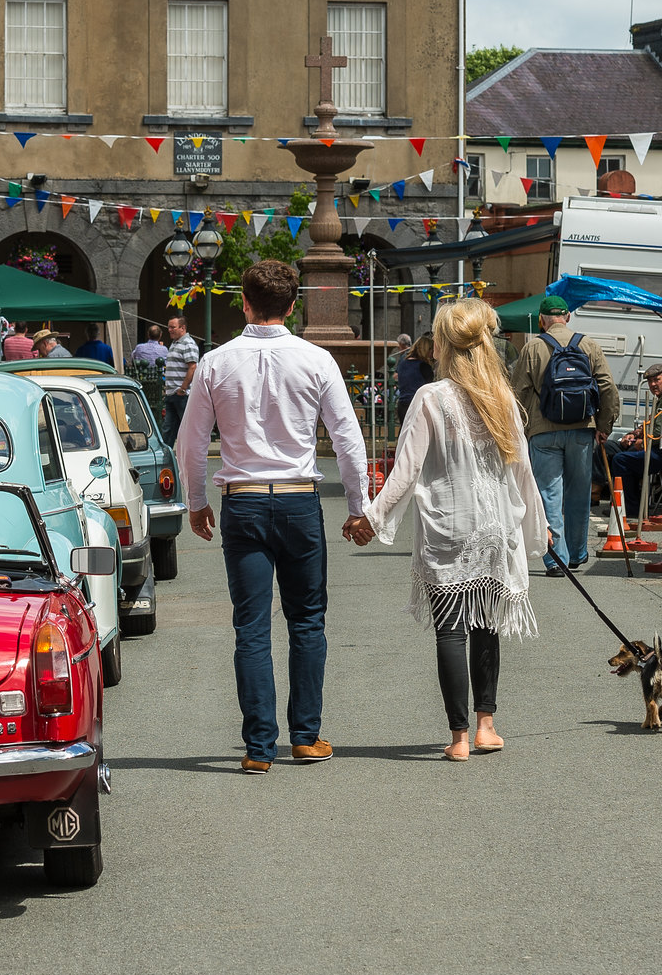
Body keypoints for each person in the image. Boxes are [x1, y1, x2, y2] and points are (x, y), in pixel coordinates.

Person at [178, 260, 370, 773]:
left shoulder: (216, 362)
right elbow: (347, 440)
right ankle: (305, 735)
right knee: (307, 619)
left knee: (251, 626)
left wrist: (196, 502)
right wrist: (358, 506)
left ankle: (259, 747)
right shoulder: (317, 359)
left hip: (242, 498)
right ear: (292, 307)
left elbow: (191, 442)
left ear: (244, 301)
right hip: (296, 498)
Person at [359, 298, 547, 761]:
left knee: (451, 631)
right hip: (496, 527)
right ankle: (487, 726)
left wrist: (372, 518)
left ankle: (459, 737)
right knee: (486, 626)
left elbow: (405, 472)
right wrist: (537, 529)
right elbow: (523, 471)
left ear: (442, 345)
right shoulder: (501, 398)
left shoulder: (431, 398)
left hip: (450, 527)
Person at [510, 296, 618, 574]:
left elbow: (517, 392)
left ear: (542, 319)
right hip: (582, 430)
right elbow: (608, 388)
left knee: (548, 494)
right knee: (579, 493)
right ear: (568, 316)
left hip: (543, 431)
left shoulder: (533, 347)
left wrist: (522, 429)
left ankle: (556, 557)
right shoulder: (588, 344)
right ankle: (577, 553)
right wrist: (604, 426)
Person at [607, 364, 662, 522]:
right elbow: (651, 424)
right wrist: (633, 434)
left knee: (621, 460)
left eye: (657, 380)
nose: (653, 384)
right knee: (610, 447)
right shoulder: (661, 398)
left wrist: (642, 441)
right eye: (650, 381)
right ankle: (602, 493)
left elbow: (661, 432)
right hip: (653, 445)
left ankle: (631, 507)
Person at [160, 314, 200, 441]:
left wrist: (183, 389)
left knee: (187, 429)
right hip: (172, 393)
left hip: (181, 394)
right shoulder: (175, 343)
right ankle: (165, 459)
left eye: (173, 327)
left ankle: (193, 457)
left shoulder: (188, 343)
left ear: (182, 328)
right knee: (168, 429)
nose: (169, 330)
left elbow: (193, 367)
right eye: (169, 327)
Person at [394, 333, 435, 430]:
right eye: (431, 350)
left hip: (403, 404)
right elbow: (430, 387)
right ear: (426, 350)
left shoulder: (403, 363)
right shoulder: (424, 366)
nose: (432, 353)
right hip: (418, 405)